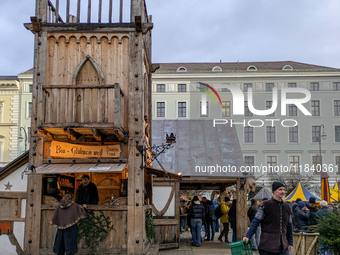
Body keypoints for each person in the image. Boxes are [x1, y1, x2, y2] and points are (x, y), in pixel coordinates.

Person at [243, 181, 293, 255]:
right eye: (280, 189)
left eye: (283, 189)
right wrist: (248, 236)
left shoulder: (287, 208)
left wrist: (290, 242)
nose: (282, 191)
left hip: (283, 247)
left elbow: (289, 227)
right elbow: (255, 221)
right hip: (267, 246)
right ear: (274, 191)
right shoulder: (265, 205)